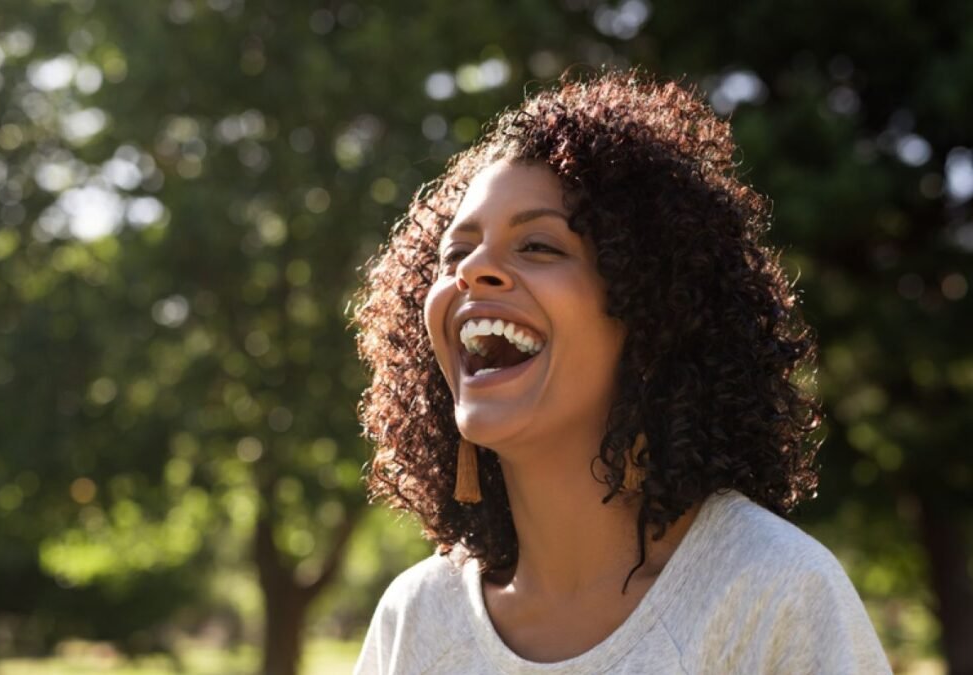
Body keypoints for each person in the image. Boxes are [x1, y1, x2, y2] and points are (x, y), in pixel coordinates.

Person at [350, 69, 891, 674]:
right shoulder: (417, 617)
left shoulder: (773, 591)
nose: (473, 271)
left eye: (539, 246)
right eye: (455, 253)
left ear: (652, 312)